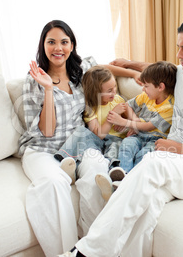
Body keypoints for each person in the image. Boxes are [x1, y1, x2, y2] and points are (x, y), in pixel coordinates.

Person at [60, 15, 183, 257]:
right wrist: (129, 63)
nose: (179, 55)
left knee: (152, 162)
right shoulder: (182, 77)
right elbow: (154, 69)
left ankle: (84, 252)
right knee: (146, 206)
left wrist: (178, 148)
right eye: (178, 47)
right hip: (173, 161)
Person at [18, 20, 139, 257]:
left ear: (72, 45)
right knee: (54, 184)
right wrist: (49, 89)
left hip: (80, 144)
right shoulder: (35, 80)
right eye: (51, 42)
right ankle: (66, 253)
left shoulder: (80, 71)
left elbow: (105, 68)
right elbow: (48, 130)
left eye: (64, 42)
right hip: (43, 149)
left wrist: (135, 73)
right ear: (43, 45)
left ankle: (94, 250)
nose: (58, 48)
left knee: (97, 171)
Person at [54, 65, 129, 200]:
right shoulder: (90, 107)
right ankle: (69, 164)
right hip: (98, 141)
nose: (114, 93)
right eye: (109, 90)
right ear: (96, 92)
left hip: (116, 140)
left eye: (115, 88)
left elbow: (131, 121)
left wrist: (124, 124)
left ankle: (114, 177)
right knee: (82, 132)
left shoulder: (118, 101)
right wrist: (112, 118)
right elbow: (98, 134)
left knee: (116, 146)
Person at [106, 60, 177, 176]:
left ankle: (134, 179)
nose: (143, 89)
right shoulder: (147, 96)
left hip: (156, 140)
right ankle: (123, 174)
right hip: (138, 134)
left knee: (144, 155)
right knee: (127, 145)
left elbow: (149, 126)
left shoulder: (170, 106)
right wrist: (135, 121)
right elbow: (127, 105)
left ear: (160, 87)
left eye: (146, 86)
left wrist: (124, 122)